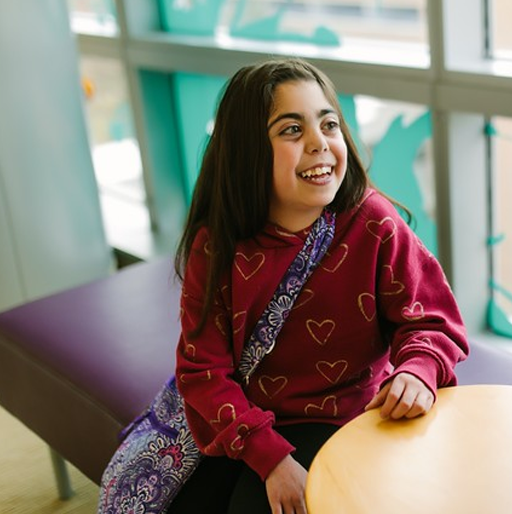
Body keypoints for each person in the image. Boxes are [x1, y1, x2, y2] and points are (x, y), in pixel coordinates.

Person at [168, 58, 469, 514]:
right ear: (248, 151)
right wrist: (270, 459)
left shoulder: (374, 224)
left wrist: (418, 370)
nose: (319, 144)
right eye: (291, 130)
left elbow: (432, 319)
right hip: (249, 419)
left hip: (352, 416)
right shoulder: (217, 245)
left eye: (328, 124)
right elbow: (203, 372)